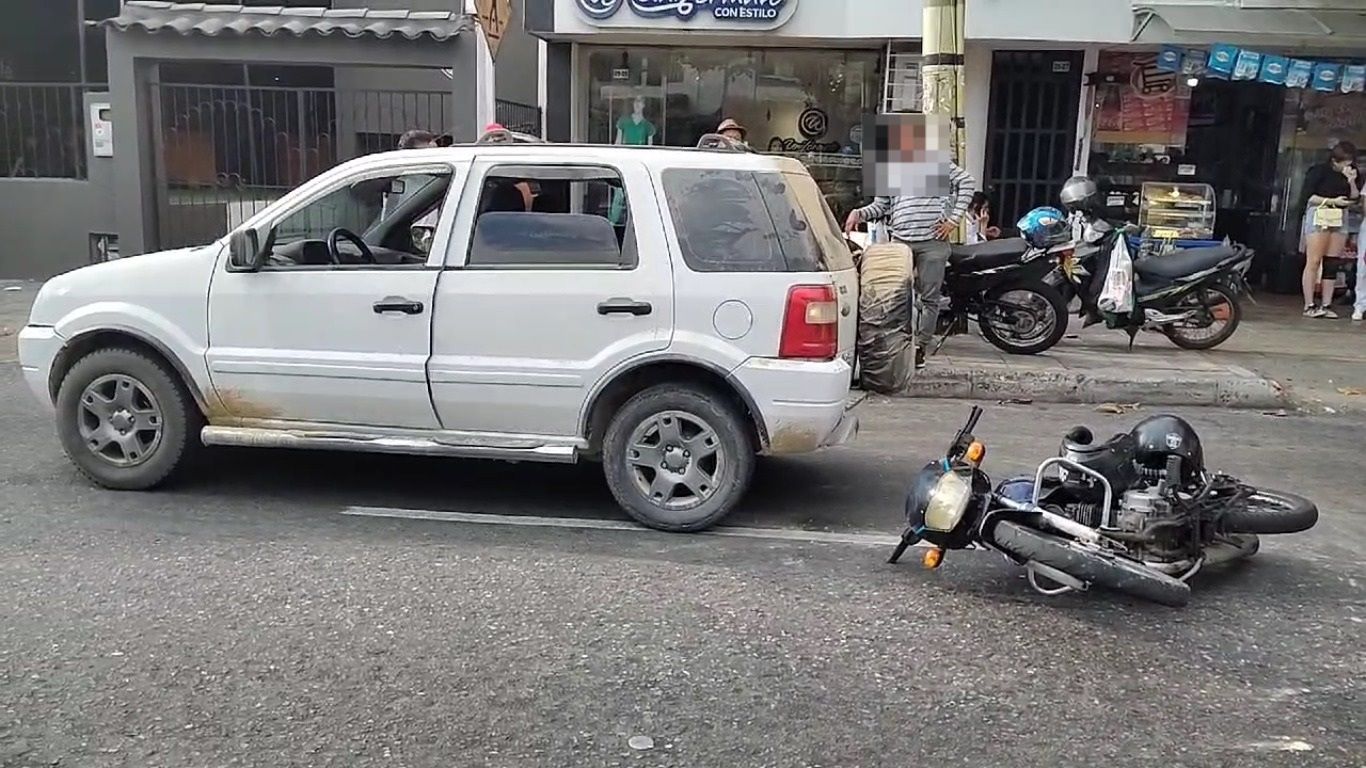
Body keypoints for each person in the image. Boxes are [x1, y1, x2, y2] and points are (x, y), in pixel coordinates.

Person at [844, 161, 978, 369]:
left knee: (929, 298)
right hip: (900, 241)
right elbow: (882, 206)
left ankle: (920, 347)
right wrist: (859, 213)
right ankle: (898, 345)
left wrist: (953, 220)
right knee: (898, 296)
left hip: (932, 242)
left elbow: (967, 182)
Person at [1300, 140, 1359, 319]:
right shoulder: (1319, 171)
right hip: (1320, 213)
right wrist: (1332, 201)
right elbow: (1309, 197)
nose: (1347, 166)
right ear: (1334, 160)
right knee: (1314, 260)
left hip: (1340, 216)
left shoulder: (1351, 173)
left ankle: (1326, 303)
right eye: (1344, 162)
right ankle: (1309, 304)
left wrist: (1351, 181)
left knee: (1332, 262)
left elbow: (1355, 196)